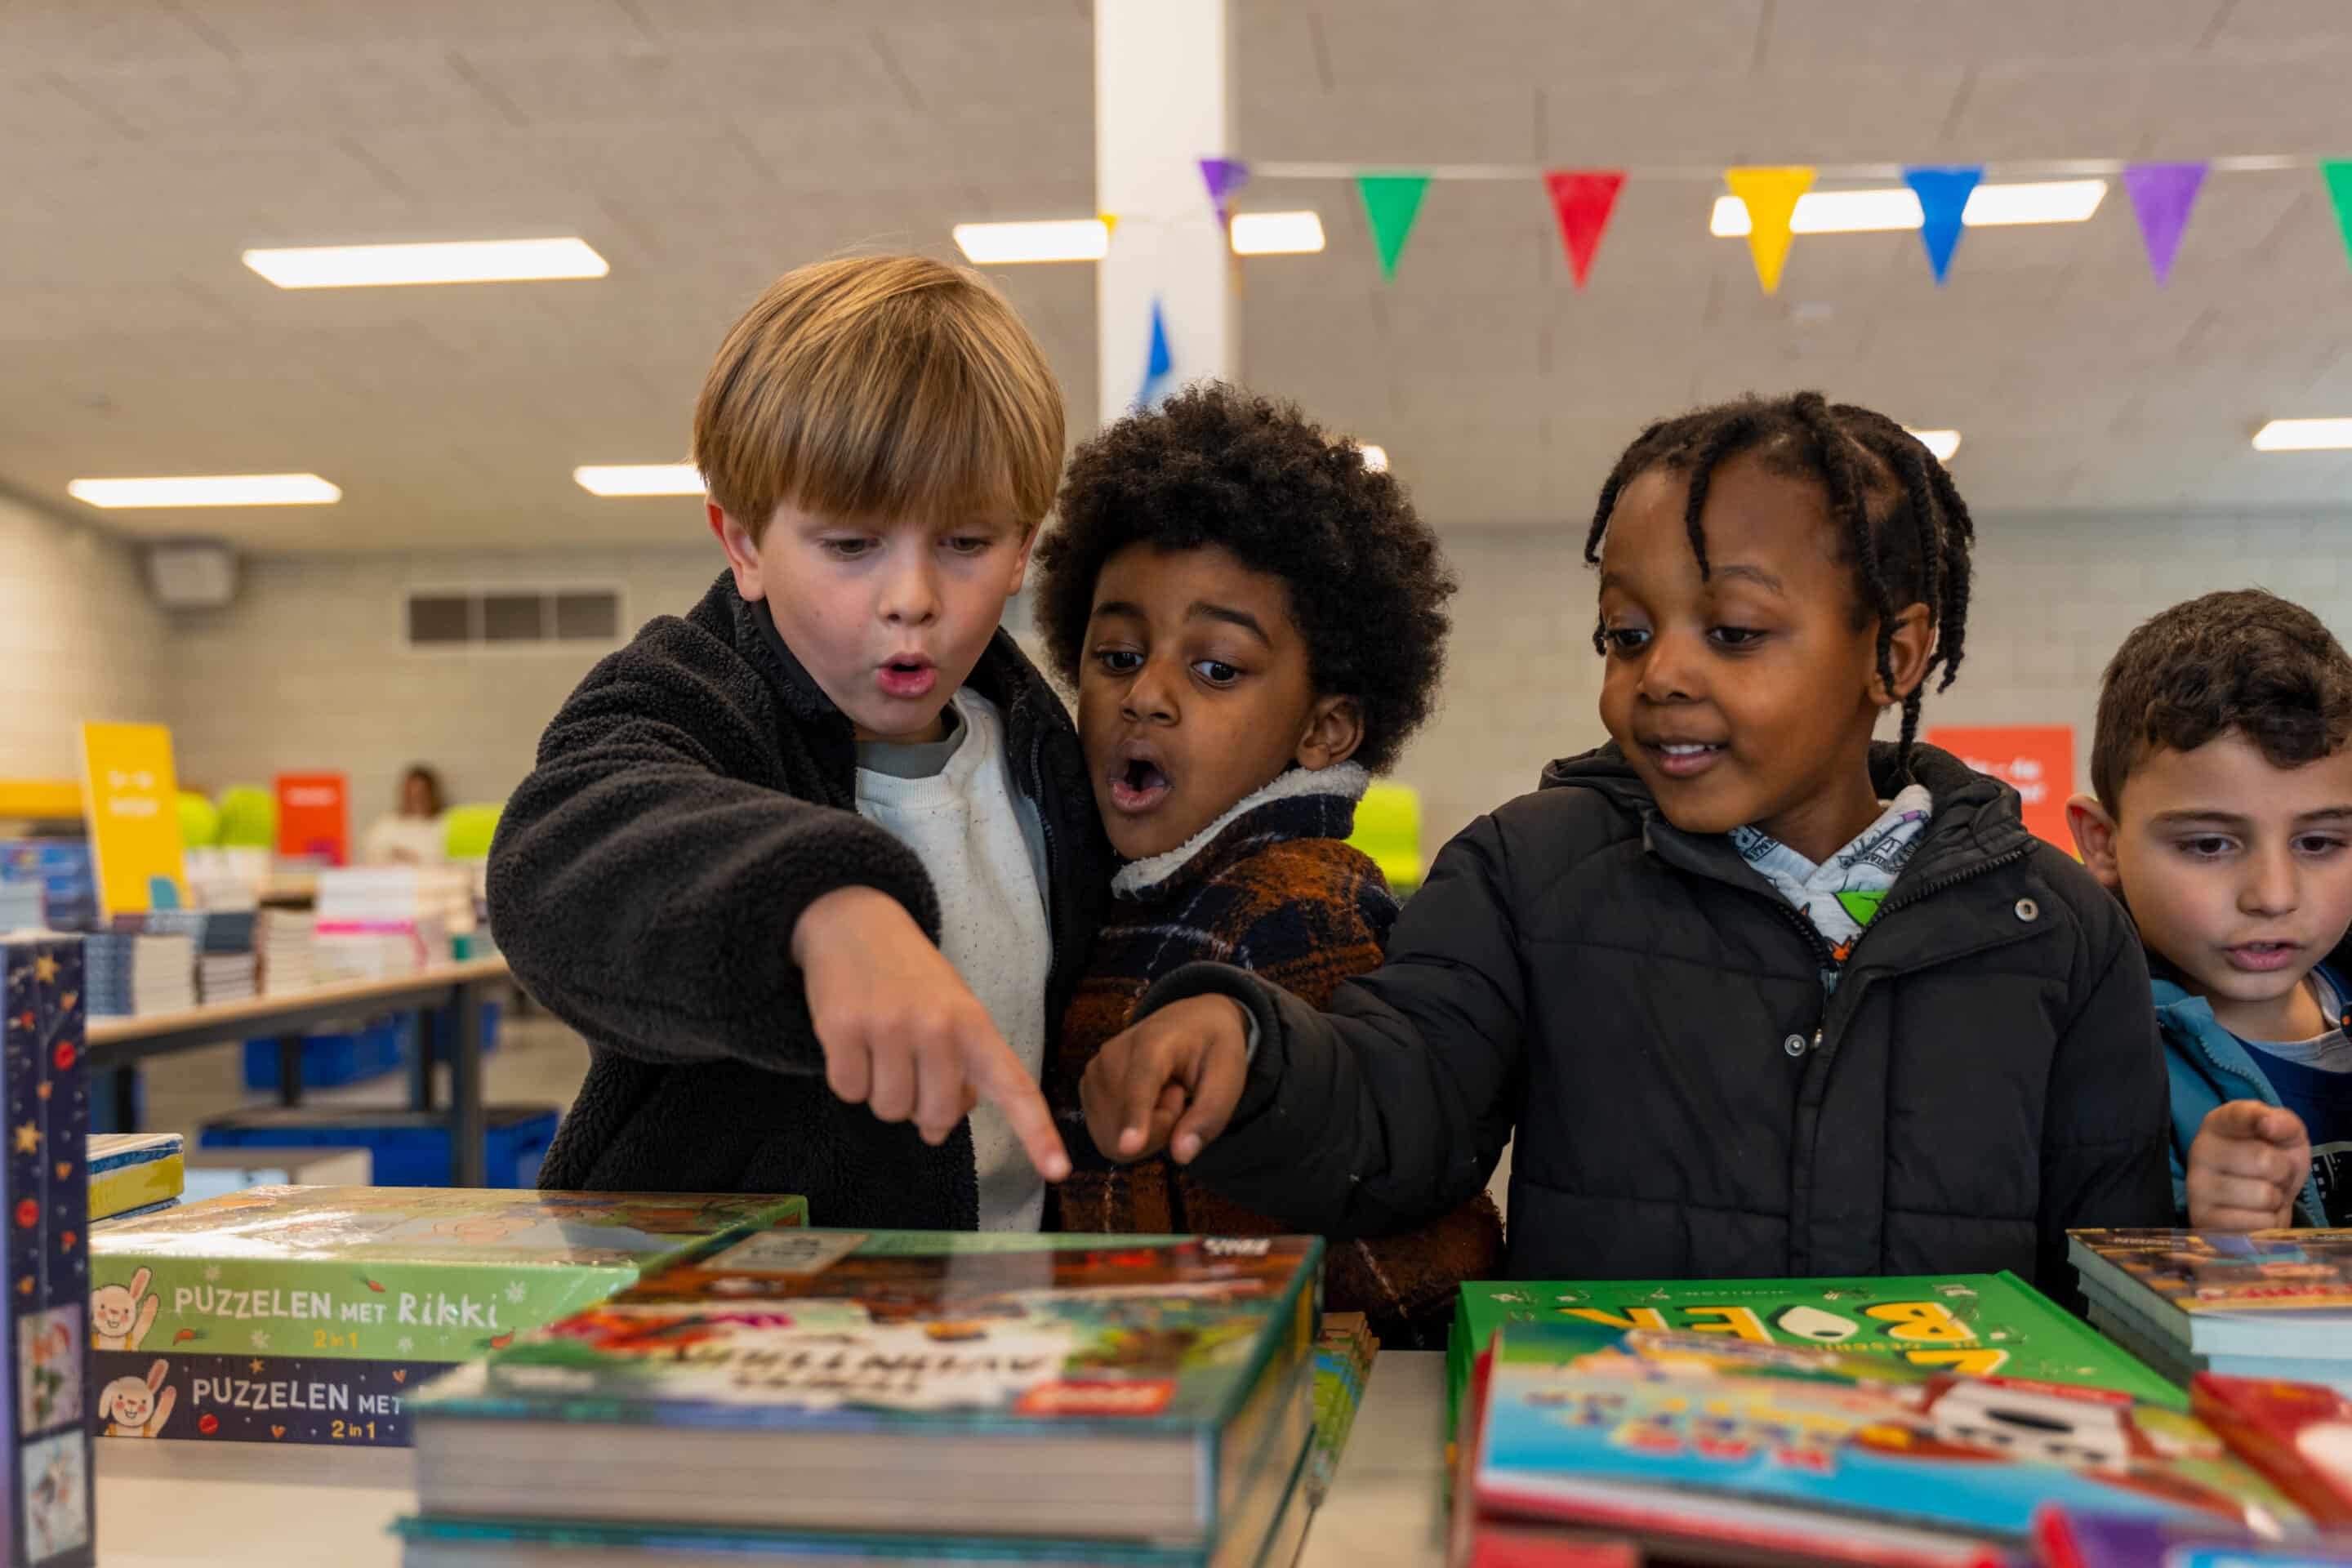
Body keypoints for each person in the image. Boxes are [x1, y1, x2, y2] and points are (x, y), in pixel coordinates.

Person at [1080, 391, 2172, 1294]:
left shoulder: (2060, 931)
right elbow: (1397, 1100)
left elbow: (2108, 1277)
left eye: (1733, 633)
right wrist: (1256, 1052)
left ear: (1894, 655)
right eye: (1628, 634)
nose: (1660, 676)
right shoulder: (1528, 873)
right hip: (1614, 1485)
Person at [488, 255, 1107, 1227]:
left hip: (998, 1303)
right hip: (735, 1314)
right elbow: (558, 855)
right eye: (853, 546)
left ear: (1024, 544)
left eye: (967, 543)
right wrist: (817, 905)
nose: (913, 599)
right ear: (743, 544)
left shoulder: (1039, 746)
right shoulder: (689, 695)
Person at [1031, 383, 1503, 1347]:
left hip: (1313, 1382)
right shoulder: (1120, 890)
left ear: (1325, 727)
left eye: (1217, 669)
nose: (1147, 696)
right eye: (1117, 654)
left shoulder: (1295, 905)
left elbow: (1376, 1208)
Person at [2067, 590, 2352, 1232]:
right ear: (2102, 843)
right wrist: (2211, 1242)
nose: (2273, 896)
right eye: (2209, 844)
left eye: (2320, 843)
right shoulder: (2089, 1060)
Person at [362, 764, 445, 864]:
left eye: (421, 794)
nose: (415, 799)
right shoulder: (385, 824)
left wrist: (412, 858)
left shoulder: (443, 825)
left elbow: (445, 862)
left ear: (432, 795)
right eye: (410, 794)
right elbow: (371, 854)